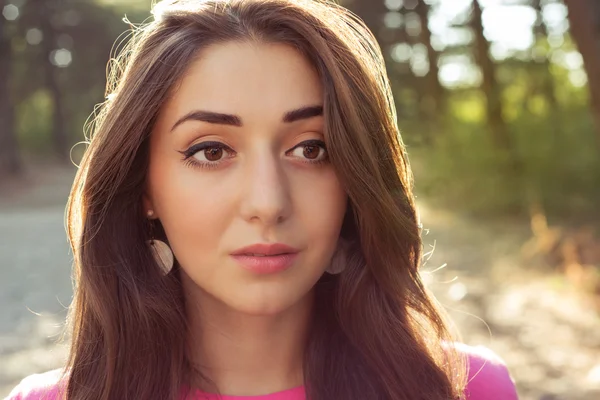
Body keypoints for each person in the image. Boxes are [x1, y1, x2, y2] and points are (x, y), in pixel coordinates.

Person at [7, 0, 518, 399]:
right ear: (145, 189)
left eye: (310, 149)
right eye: (211, 151)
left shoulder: (464, 389)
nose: (268, 202)